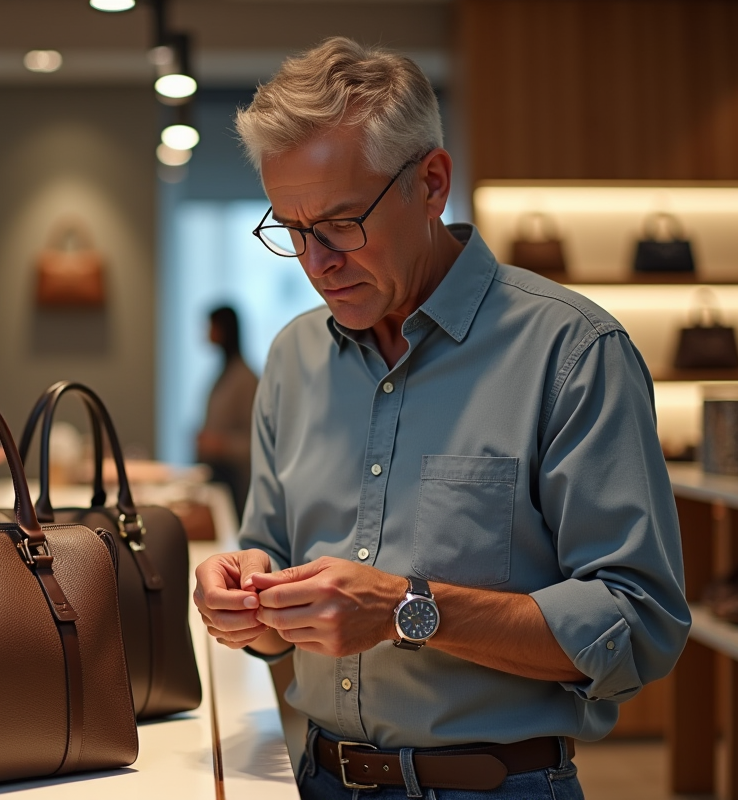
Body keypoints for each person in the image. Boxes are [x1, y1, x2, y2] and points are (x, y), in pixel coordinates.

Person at [192, 38, 689, 800]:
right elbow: (272, 556)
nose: (316, 263)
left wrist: (405, 608)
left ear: (431, 184)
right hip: (313, 777)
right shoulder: (292, 358)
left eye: (340, 224)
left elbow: (639, 624)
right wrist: (245, 602)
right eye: (291, 230)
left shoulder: (572, 352)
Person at [196, 306, 258, 519]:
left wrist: (220, 445)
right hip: (217, 475)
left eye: (211, 327)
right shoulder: (223, 373)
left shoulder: (246, 380)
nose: (208, 332)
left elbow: (256, 442)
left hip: (237, 484)